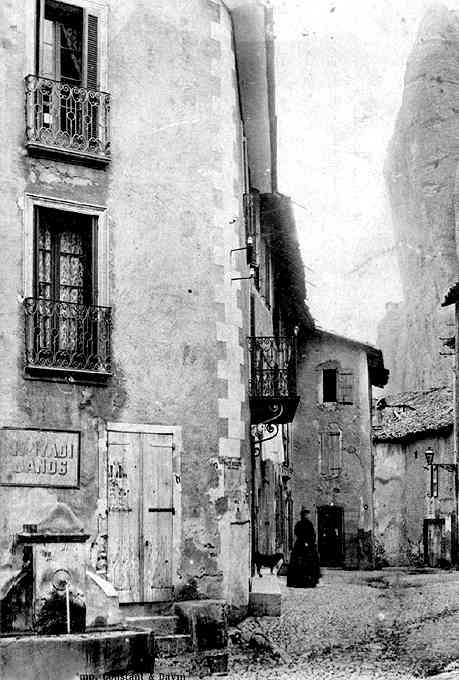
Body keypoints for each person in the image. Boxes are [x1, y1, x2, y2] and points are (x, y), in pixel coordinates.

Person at [287, 507, 321, 588]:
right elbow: (297, 533)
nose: (306, 516)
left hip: (309, 545)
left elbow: (312, 534)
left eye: (307, 515)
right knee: (299, 562)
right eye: (305, 514)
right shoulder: (299, 524)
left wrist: (310, 542)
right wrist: (304, 541)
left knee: (312, 560)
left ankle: (311, 581)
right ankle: (298, 581)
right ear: (302, 515)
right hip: (301, 544)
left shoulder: (309, 524)